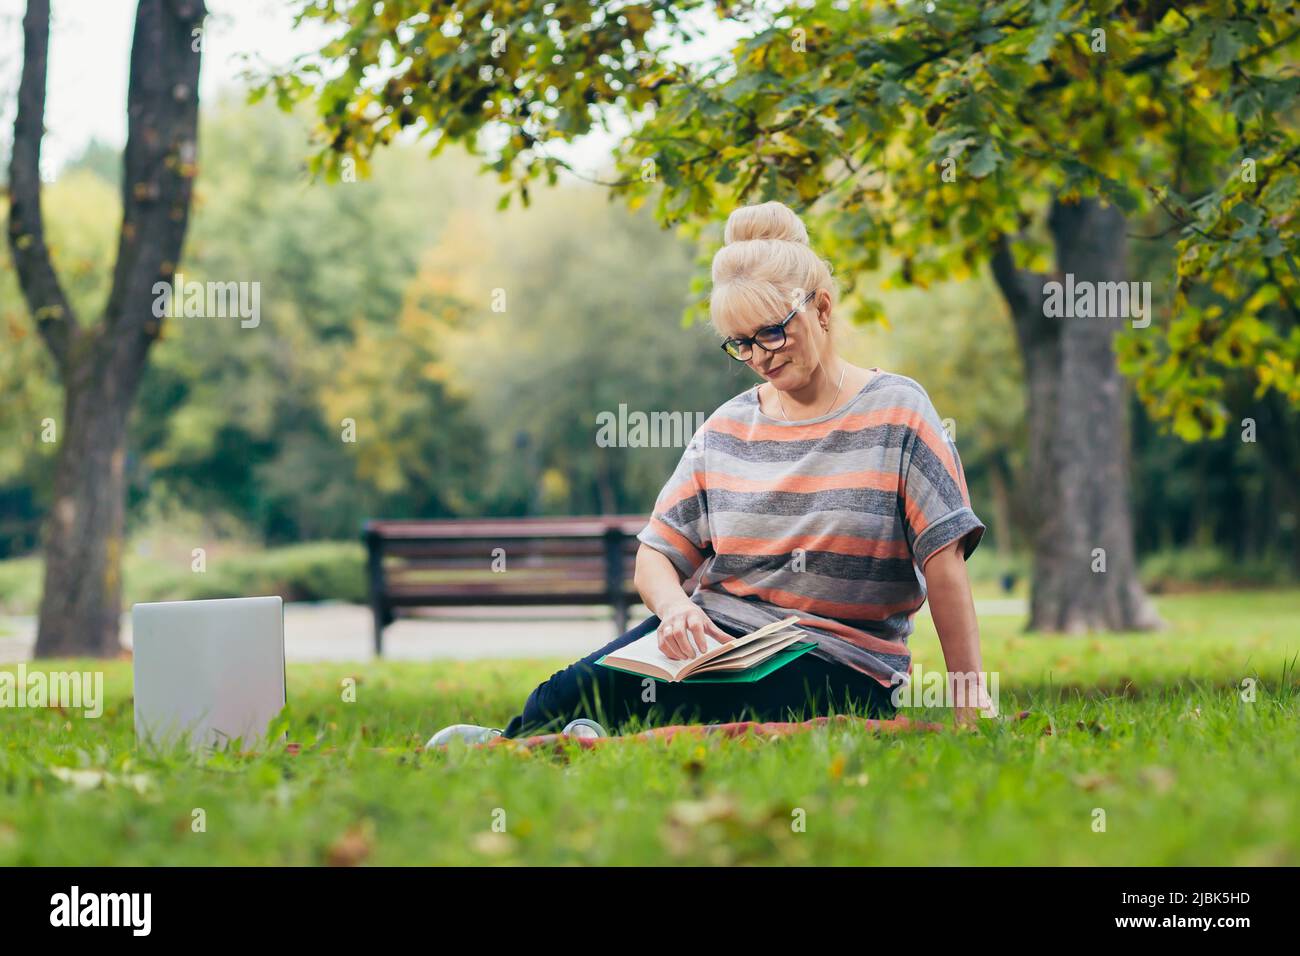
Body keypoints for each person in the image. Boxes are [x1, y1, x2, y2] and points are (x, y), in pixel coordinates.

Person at [427, 200, 991, 748]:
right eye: (741, 344)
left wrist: (969, 699)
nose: (760, 356)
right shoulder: (727, 427)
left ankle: (587, 742)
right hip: (719, 641)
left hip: (840, 660)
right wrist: (675, 611)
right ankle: (539, 738)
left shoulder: (898, 410)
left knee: (756, 703)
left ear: (821, 309)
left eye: (771, 332)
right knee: (564, 694)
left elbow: (943, 564)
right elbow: (656, 556)